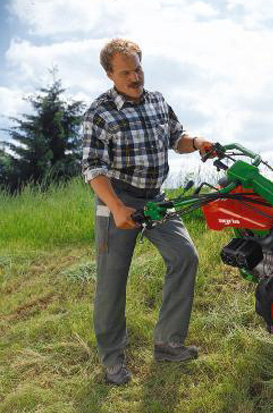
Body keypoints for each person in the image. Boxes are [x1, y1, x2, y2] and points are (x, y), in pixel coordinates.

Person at [82, 38, 213, 385]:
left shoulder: (157, 101)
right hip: (117, 197)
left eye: (137, 68)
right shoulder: (99, 112)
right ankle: (112, 360)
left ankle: (168, 343)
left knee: (185, 256)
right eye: (125, 72)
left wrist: (197, 143)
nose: (135, 76)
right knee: (112, 280)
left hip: (155, 197)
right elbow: (93, 169)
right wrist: (117, 208)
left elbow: (177, 137)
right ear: (110, 74)